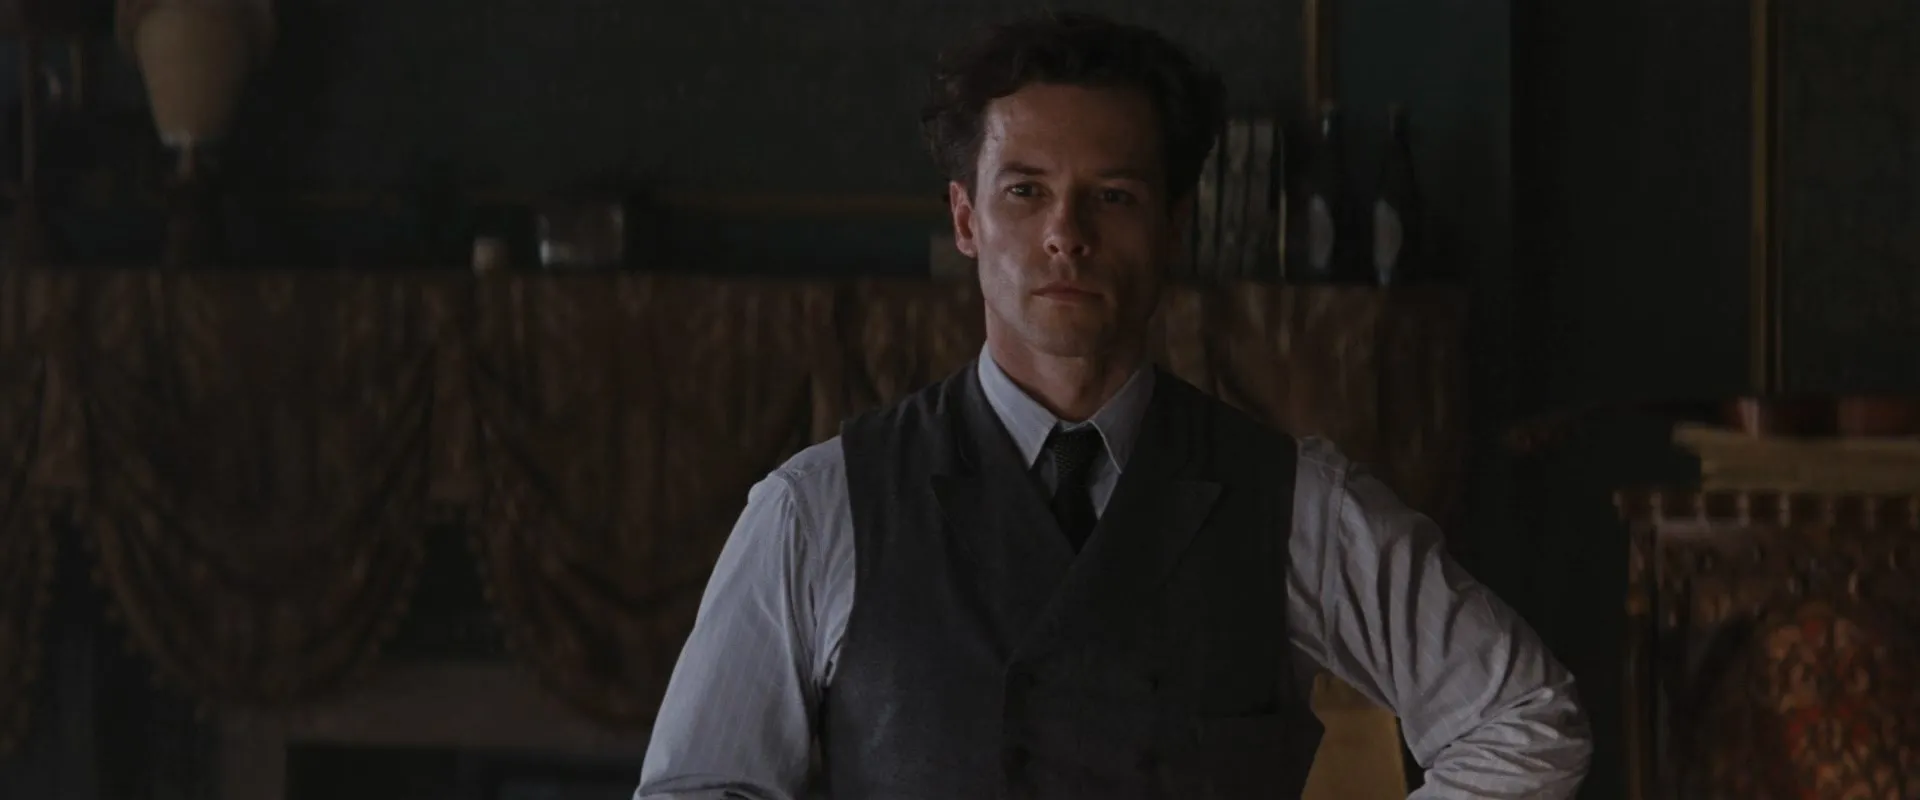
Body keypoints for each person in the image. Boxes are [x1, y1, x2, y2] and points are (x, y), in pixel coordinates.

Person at [637, 12, 1590, 799]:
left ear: (1175, 225)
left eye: (1115, 196)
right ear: (967, 219)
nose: (1067, 234)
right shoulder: (820, 507)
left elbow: (1527, 721)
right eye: (1026, 191)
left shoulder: (1295, 503)